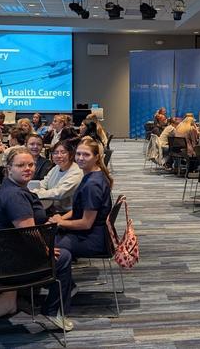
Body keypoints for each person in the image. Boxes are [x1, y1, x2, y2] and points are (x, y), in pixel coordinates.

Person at [0, 147, 72, 329]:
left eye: (30, 164)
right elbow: (28, 233)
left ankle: (8, 299)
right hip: (9, 262)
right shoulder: (16, 197)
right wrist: (45, 250)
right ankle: (53, 311)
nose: (27, 168)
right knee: (64, 257)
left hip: (2, 253)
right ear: (9, 169)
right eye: (20, 165)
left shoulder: (10, 186)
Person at [47, 137, 114, 329]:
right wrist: (62, 219)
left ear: (96, 157)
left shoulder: (92, 184)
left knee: (53, 249)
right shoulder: (91, 174)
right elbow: (78, 211)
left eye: (86, 154)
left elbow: (85, 223)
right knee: (49, 239)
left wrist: (61, 223)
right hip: (93, 232)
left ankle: (56, 306)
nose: (81, 158)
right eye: (78, 154)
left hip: (93, 239)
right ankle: (67, 287)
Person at [32, 140, 83, 214]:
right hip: (51, 208)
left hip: (65, 213)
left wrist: (36, 193)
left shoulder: (77, 172)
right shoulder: (56, 167)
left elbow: (59, 193)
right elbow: (44, 183)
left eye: (63, 152)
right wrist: (40, 190)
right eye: (55, 153)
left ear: (71, 154)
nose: (59, 156)